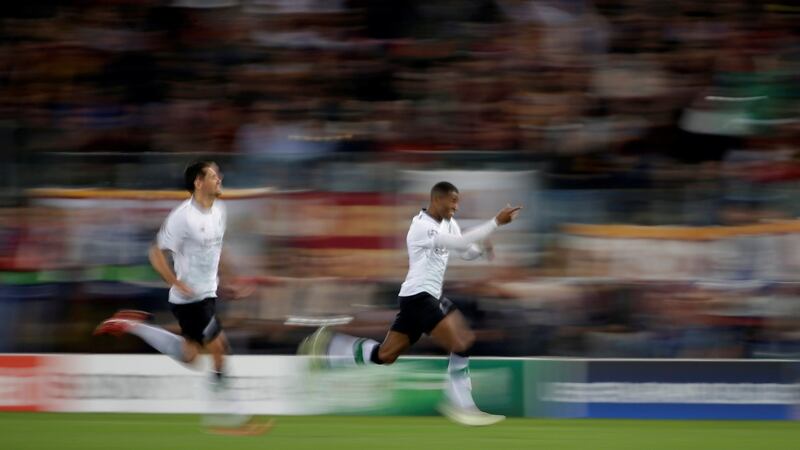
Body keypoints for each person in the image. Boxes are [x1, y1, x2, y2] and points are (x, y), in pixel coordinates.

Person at [300, 181, 521, 426]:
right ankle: (461, 404)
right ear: (437, 200)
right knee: (462, 343)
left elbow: (464, 250)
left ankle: (330, 348)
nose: (456, 207)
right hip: (420, 297)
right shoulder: (421, 226)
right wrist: (495, 223)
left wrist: (481, 250)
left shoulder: (449, 223)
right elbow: (458, 244)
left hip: (424, 297)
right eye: (453, 201)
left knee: (385, 355)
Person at [95, 160, 252, 387]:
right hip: (190, 300)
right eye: (213, 175)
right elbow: (155, 253)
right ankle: (227, 414)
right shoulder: (183, 217)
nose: (220, 179)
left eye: (218, 174)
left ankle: (132, 324)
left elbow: (218, 247)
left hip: (208, 294)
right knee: (220, 352)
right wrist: (175, 282)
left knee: (190, 356)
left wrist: (232, 278)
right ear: (198, 182)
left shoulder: (219, 210)